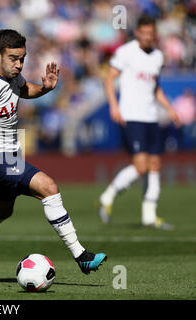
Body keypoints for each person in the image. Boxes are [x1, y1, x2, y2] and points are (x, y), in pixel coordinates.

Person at [0, 29, 107, 282]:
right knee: (48, 187)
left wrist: (45, 88)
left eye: (22, 59)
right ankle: (80, 254)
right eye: (13, 58)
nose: (19, 65)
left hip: (9, 155)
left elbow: (23, 89)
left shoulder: (11, 74)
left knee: (0, 211)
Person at [98, 15, 181, 230]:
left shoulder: (158, 57)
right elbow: (109, 78)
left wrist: (170, 109)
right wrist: (114, 106)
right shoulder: (126, 52)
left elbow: (155, 87)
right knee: (141, 166)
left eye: (150, 33)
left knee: (154, 165)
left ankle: (149, 217)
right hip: (131, 115)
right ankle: (107, 196)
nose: (147, 37)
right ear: (137, 33)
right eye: (143, 33)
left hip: (151, 116)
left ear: (154, 34)